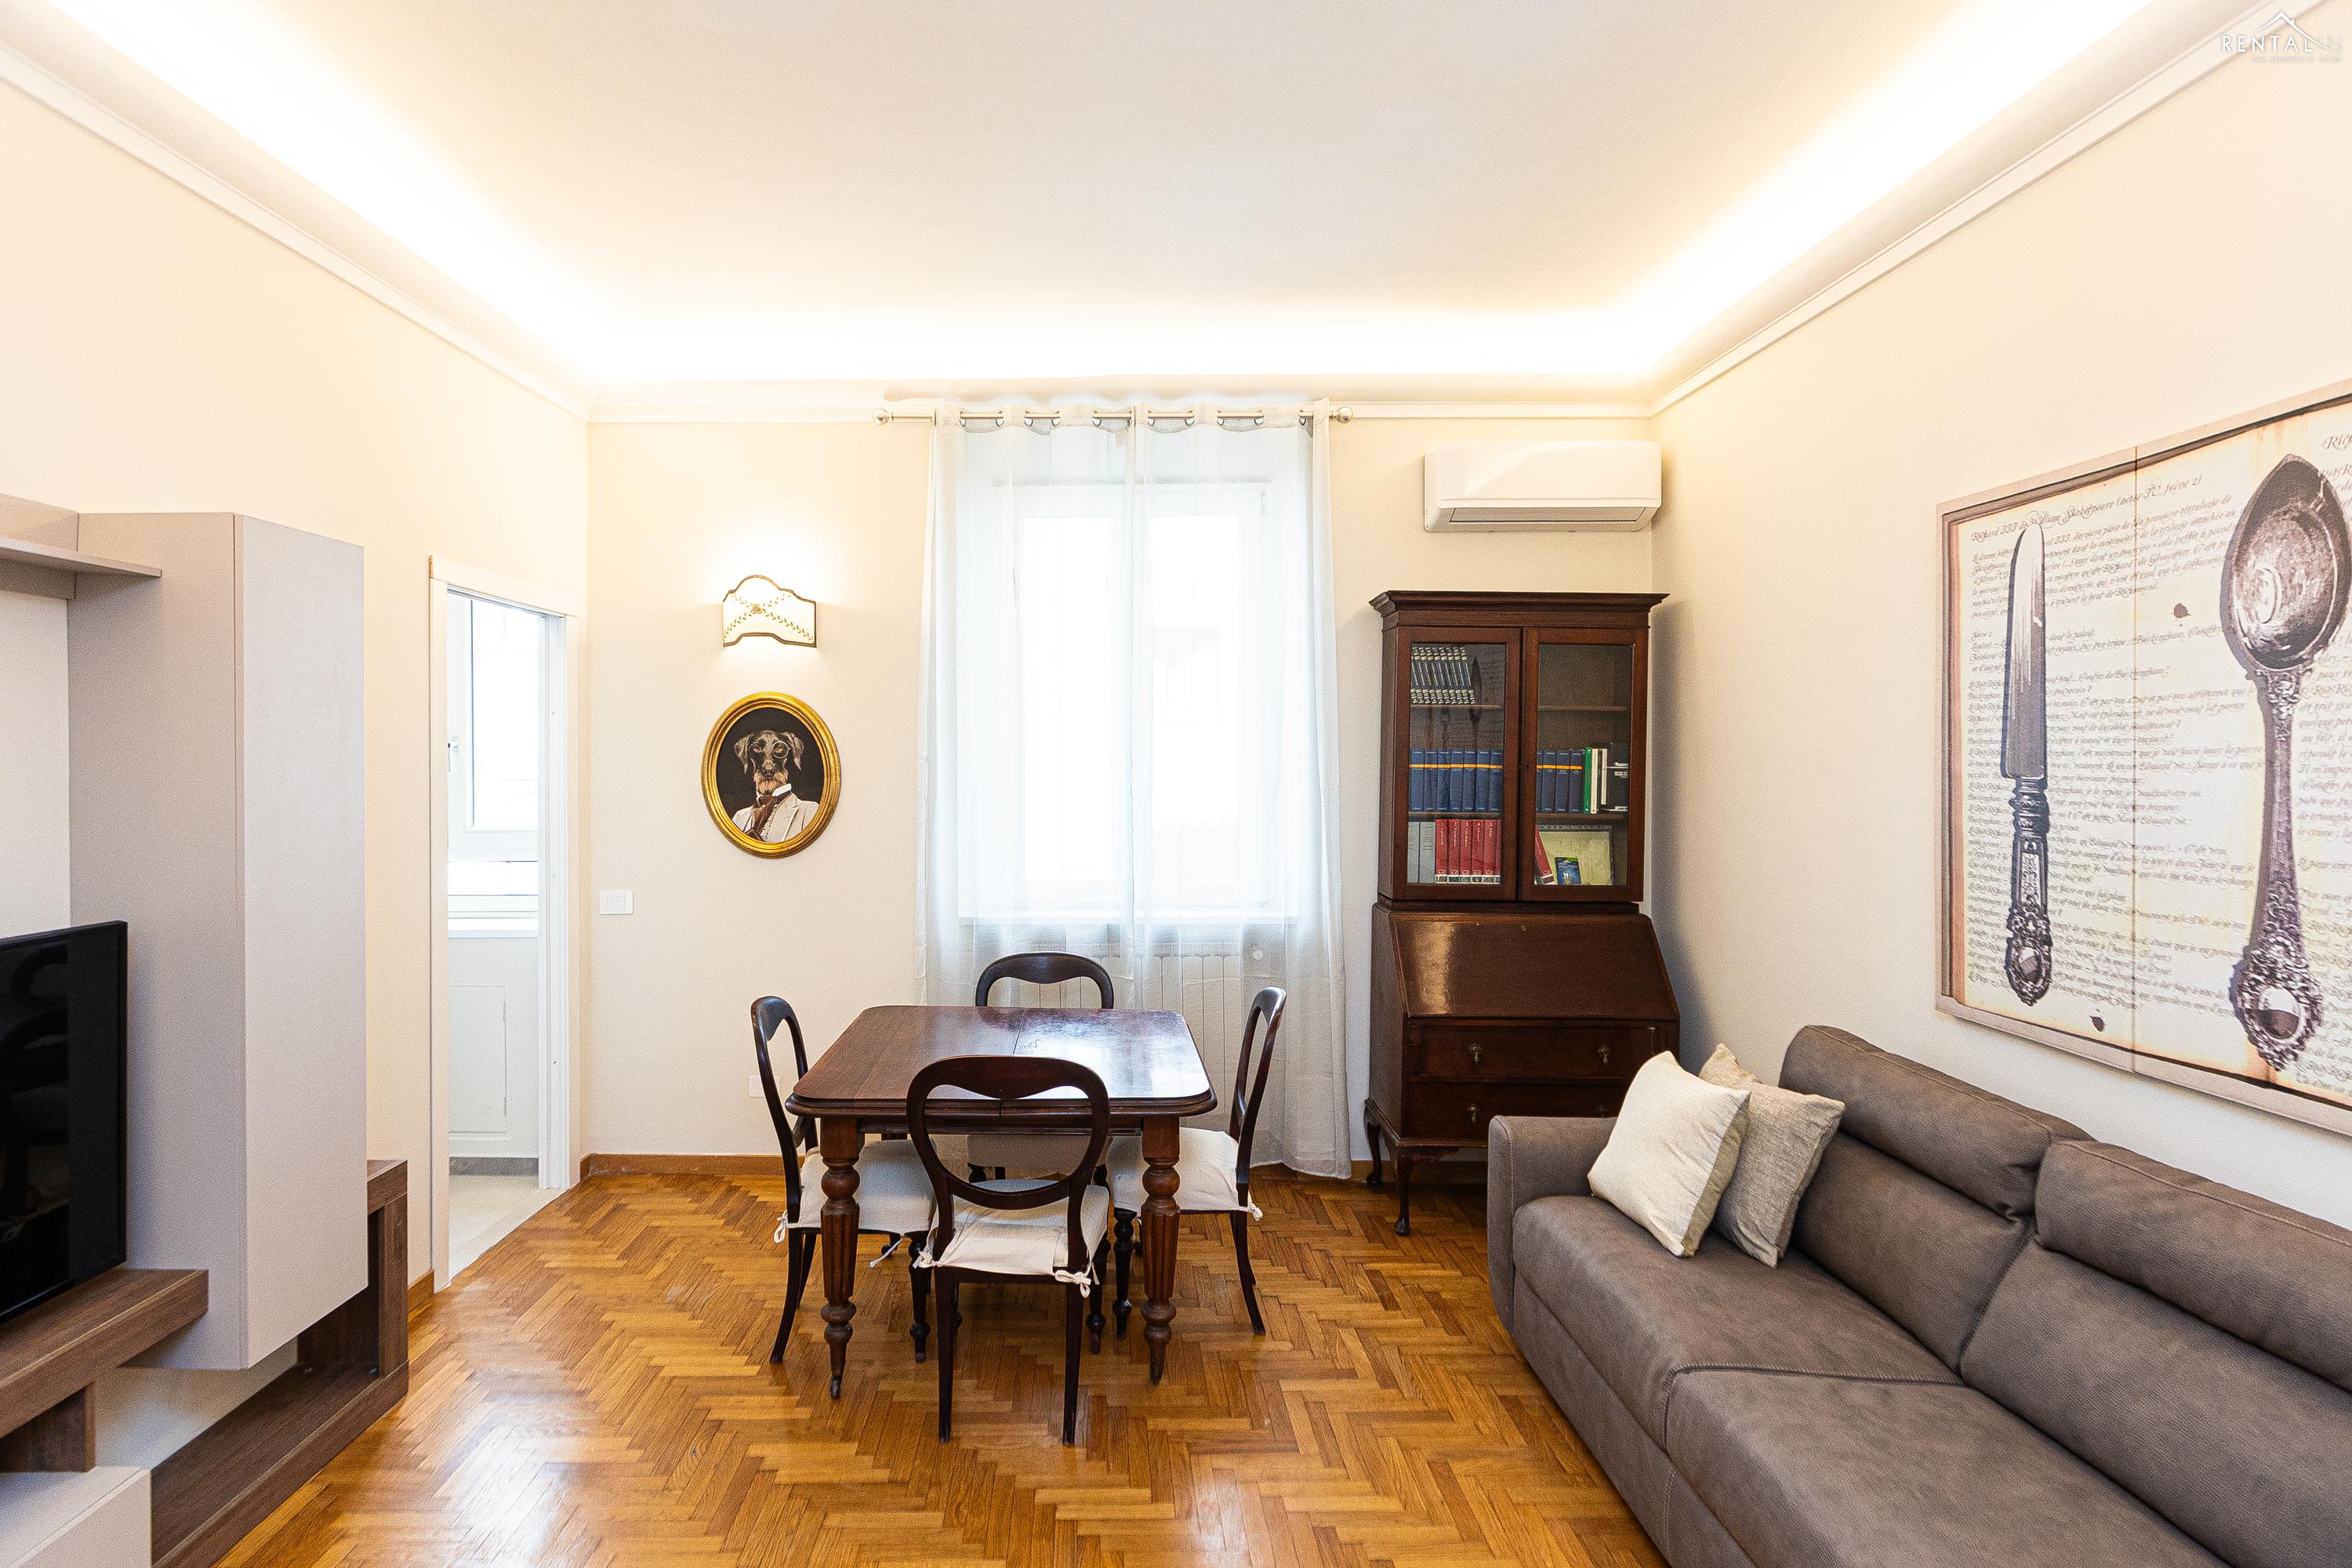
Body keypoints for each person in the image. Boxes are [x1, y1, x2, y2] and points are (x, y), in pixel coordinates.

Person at [729, 725, 818, 842]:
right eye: (756, 748)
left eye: (779, 748)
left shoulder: (809, 811)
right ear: (745, 755)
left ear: (793, 753)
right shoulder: (739, 818)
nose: (768, 768)